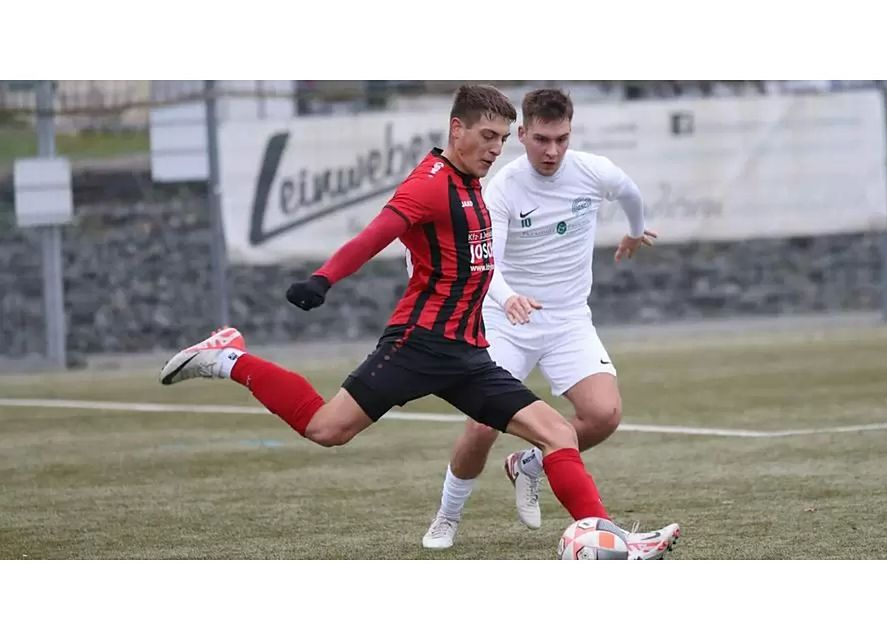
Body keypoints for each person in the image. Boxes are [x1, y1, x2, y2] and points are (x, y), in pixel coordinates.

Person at [159, 84, 677, 560]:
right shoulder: (430, 185)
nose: (496, 149)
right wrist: (323, 279)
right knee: (326, 429)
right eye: (487, 136)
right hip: (416, 345)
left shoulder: (475, 182)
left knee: (558, 435)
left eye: (500, 138)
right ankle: (229, 357)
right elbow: (377, 233)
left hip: (470, 353)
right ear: (457, 130)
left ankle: (610, 542)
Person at [421, 89, 677, 556]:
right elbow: (486, 262)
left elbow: (630, 192)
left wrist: (636, 231)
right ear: (521, 135)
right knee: (481, 426)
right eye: (541, 139)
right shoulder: (501, 188)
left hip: (568, 321)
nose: (551, 151)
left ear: (570, 133)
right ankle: (447, 516)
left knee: (604, 415)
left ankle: (531, 464)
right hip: (505, 320)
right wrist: (508, 297)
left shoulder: (592, 170)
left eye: (561, 139)